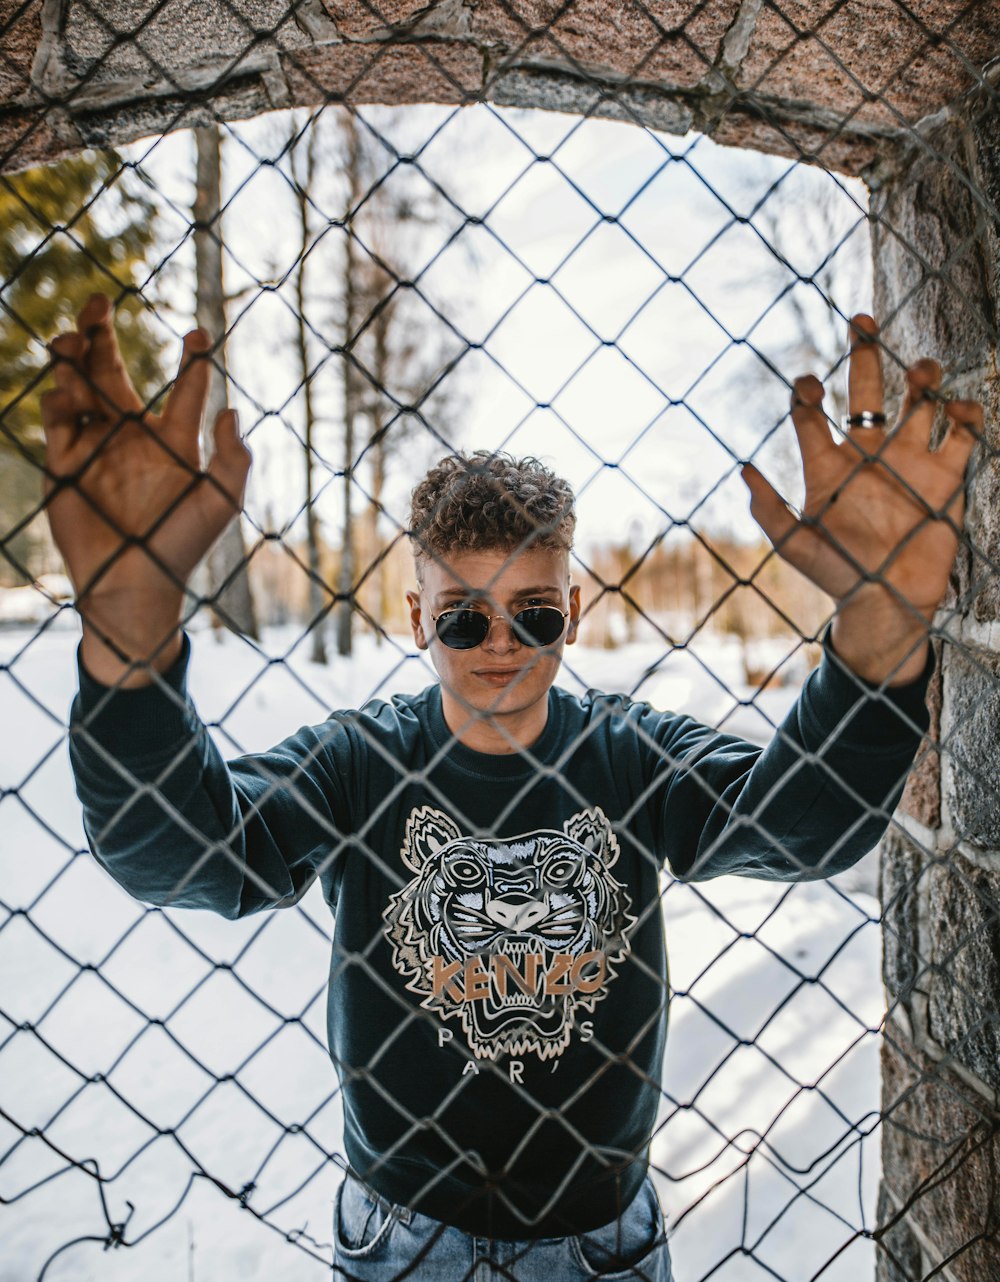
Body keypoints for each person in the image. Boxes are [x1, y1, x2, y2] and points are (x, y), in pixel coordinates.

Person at [44, 293, 982, 1281]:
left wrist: (879, 628)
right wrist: (129, 631)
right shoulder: (361, 763)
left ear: (573, 611)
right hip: (401, 1238)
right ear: (416, 616)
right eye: (463, 619)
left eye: (531, 613)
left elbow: (801, 824)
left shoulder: (628, 754)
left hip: (598, 1244)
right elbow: (182, 853)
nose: (499, 645)